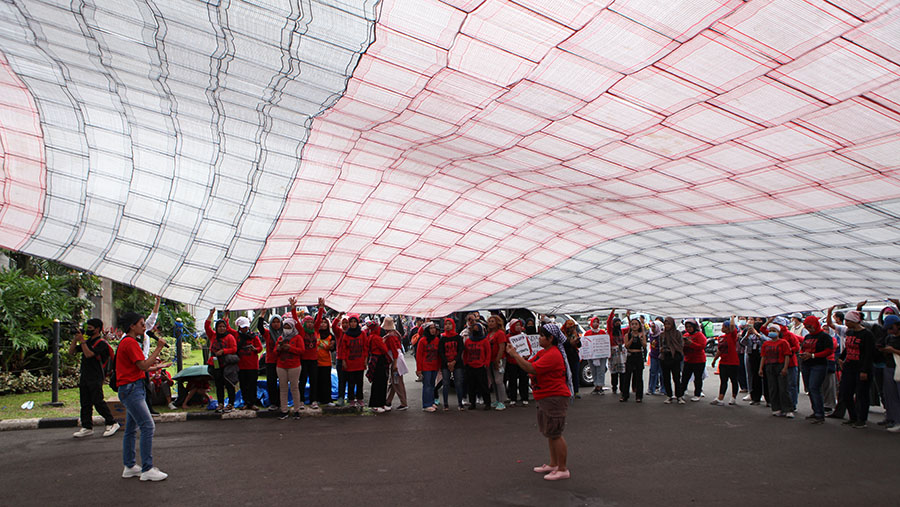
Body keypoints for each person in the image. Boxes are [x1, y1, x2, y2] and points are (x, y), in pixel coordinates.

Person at [505, 323, 572, 481]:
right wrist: (516, 354)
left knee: (556, 433)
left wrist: (515, 355)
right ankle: (554, 464)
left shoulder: (553, 354)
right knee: (550, 433)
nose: (539, 338)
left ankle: (562, 469)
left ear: (550, 339)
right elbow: (529, 363)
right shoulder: (544, 352)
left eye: (542, 336)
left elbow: (531, 368)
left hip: (554, 397)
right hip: (545, 397)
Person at [116, 311, 168, 481]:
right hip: (132, 389)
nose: (144, 327)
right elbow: (144, 365)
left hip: (131, 386)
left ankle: (130, 466)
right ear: (132, 326)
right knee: (147, 426)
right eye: (141, 323)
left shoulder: (128, 342)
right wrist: (159, 348)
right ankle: (147, 468)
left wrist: (156, 366)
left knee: (131, 429)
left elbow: (139, 367)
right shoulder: (130, 343)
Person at [70, 318, 120, 438]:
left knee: (98, 401)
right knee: (85, 403)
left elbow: (89, 354)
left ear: (97, 329)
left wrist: (82, 341)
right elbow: (71, 352)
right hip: (85, 375)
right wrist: (76, 339)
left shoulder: (101, 343)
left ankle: (112, 422)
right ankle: (87, 426)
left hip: (96, 376)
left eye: (90, 328)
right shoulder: (86, 342)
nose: (88, 330)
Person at [838, 310, 876, 429]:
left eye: (848, 321)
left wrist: (864, 370)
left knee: (862, 394)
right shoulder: (850, 332)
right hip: (849, 366)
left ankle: (862, 419)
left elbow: (869, 354)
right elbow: (847, 347)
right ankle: (853, 416)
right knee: (845, 392)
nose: (846, 323)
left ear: (854, 321)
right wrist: (841, 358)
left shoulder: (867, 335)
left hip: (862, 368)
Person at [290, 297, 323, 410]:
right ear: (304, 323)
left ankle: (314, 400)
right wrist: (293, 307)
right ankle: (301, 401)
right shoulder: (301, 331)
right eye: (307, 322)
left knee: (314, 380)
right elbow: (295, 320)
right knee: (302, 380)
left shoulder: (315, 330)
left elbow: (319, 320)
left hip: (313, 360)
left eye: (311, 322)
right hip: (303, 360)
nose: (310, 324)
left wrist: (321, 307)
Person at [800, 315, 833, 424]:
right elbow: (803, 348)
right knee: (810, 389)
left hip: (818, 364)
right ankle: (816, 410)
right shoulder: (808, 337)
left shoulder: (824, 336)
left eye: (810, 326)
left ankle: (819, 413)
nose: (809, 329)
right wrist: (803, 355)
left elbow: (828, 350)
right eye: (807, 327)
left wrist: (813, 355)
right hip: (807, 364)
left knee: (815, 388)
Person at [204, 309, 237, 413]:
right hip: (215, 363)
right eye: (219, 327)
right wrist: (211, 314)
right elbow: (206, 326)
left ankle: (231, 404)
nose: (222, 328)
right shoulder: (213, 336)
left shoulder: (230, 337)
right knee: (219, 384)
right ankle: (220, 404)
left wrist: (223, 351)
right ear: (217, 328)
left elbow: (234, 349)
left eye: (223, 326)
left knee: (229, 384)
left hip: (226, 363)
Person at [760, 325, 793, 418]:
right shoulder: (766, 344)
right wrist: (761, 368)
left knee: (783, 389)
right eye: (770, 330)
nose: (771, 332)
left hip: (780, 365)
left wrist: (785, 368)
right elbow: (763, 356)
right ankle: (776, 408)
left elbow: (787, 355)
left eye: (774, 330)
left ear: (778, 332)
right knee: (773, 388)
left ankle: (788, 409)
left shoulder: (783, 342)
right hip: (769, 366)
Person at [274, 313, 303, 420]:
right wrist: (279, 348)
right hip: (281, 366)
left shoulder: (298, 337)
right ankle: (284, 410)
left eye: (289, 327)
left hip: (294, 366)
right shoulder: (281, 337)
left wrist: (290, 348)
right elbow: (274, 352)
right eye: (285, 326)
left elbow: (301, 351)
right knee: (283, 388)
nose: (286, 329)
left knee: (295, 388)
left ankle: (296, 410)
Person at [464, 313, 492, 410]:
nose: (475, 330)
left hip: (480, 366)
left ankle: (487, 403)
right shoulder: (468, 341)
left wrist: (486, 363)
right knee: (471, 386)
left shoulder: (484, 341)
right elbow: (465, 353)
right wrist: (466, 363)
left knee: (483, 386)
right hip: (470, 366)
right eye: (474, 328)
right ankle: (472, 403)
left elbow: (488, 353)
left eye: (477, 328)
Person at [710, 316, 739, 406]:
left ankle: (733, 397)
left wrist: (732, 317)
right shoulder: (721, 338)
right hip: (723, 362)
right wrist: (715, 359)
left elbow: (733, 327)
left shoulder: (732, 336)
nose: (722, 328)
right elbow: (720, 350)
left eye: (724, 326)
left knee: (734, 380)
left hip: (733, 362)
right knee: (723, 381)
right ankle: (720, 398)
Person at [235, 316, 262, 410]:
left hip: (252, 365)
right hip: (241, 365)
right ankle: (246, 402)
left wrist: (255, 349)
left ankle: (252, 402)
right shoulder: (236, 336)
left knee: (252, 385)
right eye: (242, 327)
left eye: (246, 327)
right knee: (243, 385)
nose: (244, 329)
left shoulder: (253, 336)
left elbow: (260, 348)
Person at [339, 314, 367, 407]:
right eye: (351, 322)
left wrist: (366, 359)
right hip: (349, 362)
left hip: (360, 361)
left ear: (358, 323)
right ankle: (351, 399)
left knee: (360, 382)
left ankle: (360, 398)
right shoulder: (346, 335)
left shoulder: (362, 334)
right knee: (351, 382)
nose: (353, 324)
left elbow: (365, 347)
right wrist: (343, 361)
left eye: (355, 322)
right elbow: (343, 349)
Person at [879, 314, 900, 432]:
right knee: (890, 395)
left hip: (898, 368)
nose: (890, 331)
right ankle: (893, 418)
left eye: (891, 328)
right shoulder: (889, 338)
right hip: (889, 367)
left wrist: (893, 350)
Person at [257, 311, 282, 410]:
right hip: (270, 361)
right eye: (274, 322)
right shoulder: (267, 333)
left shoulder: (284, 333)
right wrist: (262, 315)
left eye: (278, 322)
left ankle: (281, 402)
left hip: (281, 361)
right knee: (271, 383)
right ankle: (273, 403)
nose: (276, 324)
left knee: (282, 383)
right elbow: (260, 327)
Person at [366, 318, 390, 412]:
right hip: (379, 361)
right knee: (380, 383)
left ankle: (381, 403)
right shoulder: (376, 338)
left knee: (380, 382)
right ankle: (376, 404)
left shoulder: (371, 336)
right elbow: (384, 349)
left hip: (375, 360)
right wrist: (383, 342)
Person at [384, 317, 408, 411]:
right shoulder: (395, 334)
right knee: (394, 382)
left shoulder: (390, 337)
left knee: (397, 382)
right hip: (397, 360)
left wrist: (394, 364)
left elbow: (394, 351)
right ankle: (388, 400)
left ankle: (403, 402)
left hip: (396, 361)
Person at [417, 320, 442, 412]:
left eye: (434, 328)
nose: (433, 330)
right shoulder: (422, 341)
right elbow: (419, 355)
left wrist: (439, 366)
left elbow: (439, 354)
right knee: (427, 385)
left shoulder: (437, 340)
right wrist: (419, 369)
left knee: (432, 385)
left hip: (434, 366)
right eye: (431, 328)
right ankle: (426, 405)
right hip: (426, 367)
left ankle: (431, 402)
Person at [504, 319, 530, 406]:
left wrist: (527, 355)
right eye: (516, 325)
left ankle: (524, 397)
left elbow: (528, 348)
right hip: (512, 362)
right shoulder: (507, 337)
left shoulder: (523, 336)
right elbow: (506, 349)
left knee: (524, 379)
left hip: (522, 361)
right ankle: (513, 398)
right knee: (512, 380)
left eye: (519, 325)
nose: (518, 327)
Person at [620, 317, 646, 403]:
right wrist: (632, 338)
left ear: (639, 326)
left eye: (636, 324)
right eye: (632, 324)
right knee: (627, 376)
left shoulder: (642, 334)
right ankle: (625, 395)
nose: (634, 326)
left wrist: (640, 338)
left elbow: (644, 345)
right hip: (630, 355)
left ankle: (639, 396)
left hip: (638, 355)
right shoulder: (628, 335)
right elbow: (626, 346)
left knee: (639, 377)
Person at [659, 317, 684, 404]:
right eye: (666, 324)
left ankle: (679, 396)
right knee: (666, 377)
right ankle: (669, 395)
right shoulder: (662, 334)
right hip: (664, 357)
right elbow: (660, 345)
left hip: (675, 357)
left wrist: (672, 349)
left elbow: (680, 345)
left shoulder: (677, 333)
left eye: (669, 324)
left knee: (676, 377)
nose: (667, 326)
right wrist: (663, 349)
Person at [680, 319, 707, 402]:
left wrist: (691, 343)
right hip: (688, 359)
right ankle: (681, 393)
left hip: (699, 360)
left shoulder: (699, 335)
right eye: (687, 327)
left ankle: (697, 394)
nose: (688, 329)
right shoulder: (686, 335)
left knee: (698, 378)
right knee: (685, 377)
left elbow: (702, 346)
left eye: (690, 327)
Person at [487, 315, 509, 410]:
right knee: (493, 381)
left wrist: (497, 360)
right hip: (490, 360)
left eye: (493, 321)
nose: (491, 323)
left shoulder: (500, 333)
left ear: (497, 323)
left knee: (498, 380)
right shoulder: (489, 334)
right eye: (490, 321)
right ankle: (497, 399)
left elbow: (501, 348)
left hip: (499, 359)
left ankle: (502, 401)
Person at [583, 317, 608, 395]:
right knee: (593, 370)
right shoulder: (587, 333)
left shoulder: (603, 333)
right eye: (594, 322)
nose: (596, 323)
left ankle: (600, 386)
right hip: (591, 356)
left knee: (601, 370)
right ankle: (596, 385)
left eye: (597, 322)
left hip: (602, 356)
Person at [315, 313, 335, 407]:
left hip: (326, 362)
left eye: (325, 323)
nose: (323, 324)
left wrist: (331, 346)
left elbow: (332, 348)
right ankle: (318, 399)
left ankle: (327, 400)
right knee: (317, 381)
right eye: (321, 322)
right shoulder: (315, 334)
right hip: (316, 362)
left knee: (326, 381)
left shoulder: (331, 336)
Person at [561, 319, 581, 401]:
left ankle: (576, 391)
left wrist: (576, 342)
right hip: (565, 356)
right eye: (571, 327)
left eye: (573, 327)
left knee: (575, 374)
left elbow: (580, 345)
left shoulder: (575, 334)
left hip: (574, 356)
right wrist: (570, 343)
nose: (572, 329)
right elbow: (562, 345)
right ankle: (567, 391)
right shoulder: (562, 334)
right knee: (566, 375)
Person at [607, 309, 626, 396]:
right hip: (613, 353)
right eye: (616, 322)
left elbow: (630, 328)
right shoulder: (610, 331)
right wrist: (613, 312)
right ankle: (614, 387)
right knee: (614, 372)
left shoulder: (621, 331)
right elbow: (608, 321)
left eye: (619, 322)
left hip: (621, 353)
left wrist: (628, 317)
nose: (618, 324)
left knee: (622, 372)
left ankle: (622, 388)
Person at [646, 320, 663, 396]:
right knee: (653, 372)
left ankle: (663, 389)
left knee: (662, 373)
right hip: (653, 356)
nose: (652, 328)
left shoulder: (661, 335)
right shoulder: (651, 334)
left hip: (661, 356)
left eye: (653, 327)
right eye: (651, 326)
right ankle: (651, 388)